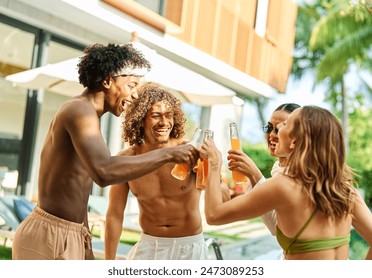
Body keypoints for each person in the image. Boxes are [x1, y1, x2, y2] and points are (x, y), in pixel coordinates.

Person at [12, 44, 199, 260]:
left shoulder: (90, 116)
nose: (135, 95)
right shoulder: (79, 110)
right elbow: (103, 172)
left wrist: (85, 242)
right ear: (108, 80)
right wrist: (169, 154)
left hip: (72, 233)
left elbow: (78, 187)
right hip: (48, 234)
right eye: (131, 85)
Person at [201, 106, 372, 260]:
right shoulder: (345, 191)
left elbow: (214, 215)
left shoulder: (283, 186)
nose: (276, 130)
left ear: (294, 142)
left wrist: (214, 164)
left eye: (286, 124)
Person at [104, 82, 230, 260]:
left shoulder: (193, 152)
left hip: (189, 248)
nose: (164, 122)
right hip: (149, 247)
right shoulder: (126, 160)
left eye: (168, 115)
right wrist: (108, 262)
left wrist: (211, 172)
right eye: (156, 115)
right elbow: (114, 215)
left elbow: (223, 198)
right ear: (140, 118)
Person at [227, 103, 300, 234]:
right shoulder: (278, 169)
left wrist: (256, 176)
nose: (272, 135)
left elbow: (278, 229)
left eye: (279, 129)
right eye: (269, 128)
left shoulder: (301, 175)